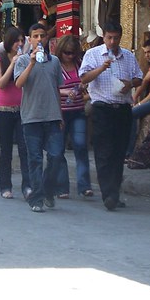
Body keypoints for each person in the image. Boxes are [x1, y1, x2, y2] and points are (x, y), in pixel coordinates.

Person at [80, 22, 142, 211]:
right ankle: (108, 194)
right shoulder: (93, 55)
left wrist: (130, 84)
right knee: (104, 152)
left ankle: (114, 192)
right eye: (109, 38)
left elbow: (139, 77)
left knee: (118, 153)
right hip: (102, 109)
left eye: (116, 38)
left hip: (122, 109)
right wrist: (101, 68)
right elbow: (83, 78)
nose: (112, 42)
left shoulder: (128, 56)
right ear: (104, 37)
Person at [13, 23, 65, 212]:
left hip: (52, 117)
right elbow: (18, 84)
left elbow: (57, 89)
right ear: (30, 40)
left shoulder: (55, 61)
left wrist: (60, 115)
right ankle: (37, 198)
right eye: (35, 36)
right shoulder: (22, 61)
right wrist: (32, 62)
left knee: (56, 156)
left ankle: (48, 189)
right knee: (34, 159)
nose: (39, 39)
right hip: (31, 117)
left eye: (42, 36)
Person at [0, 26, 30, 199]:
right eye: (16, 41)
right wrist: (13, 63)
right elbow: (0, 83)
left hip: (22, 109)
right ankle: (5, 186)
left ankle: (27, 186)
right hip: (4, 109)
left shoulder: (26, 58)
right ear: (9, 42)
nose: (20, 44)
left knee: (25, 149)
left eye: (22, 41)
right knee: (6, 150)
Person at [55, 34, 92, 198]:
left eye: (72, 53)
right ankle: (63, 187)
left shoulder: (79, 65)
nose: (70, 56)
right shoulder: (56, 67)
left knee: (81, 146)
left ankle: (84, 186)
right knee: (59, 149)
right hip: (61, 111)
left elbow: (86, 84)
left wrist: (84, 88)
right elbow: (51, 88)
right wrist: (64, 91)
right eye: (67, 53)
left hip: (77, 110)